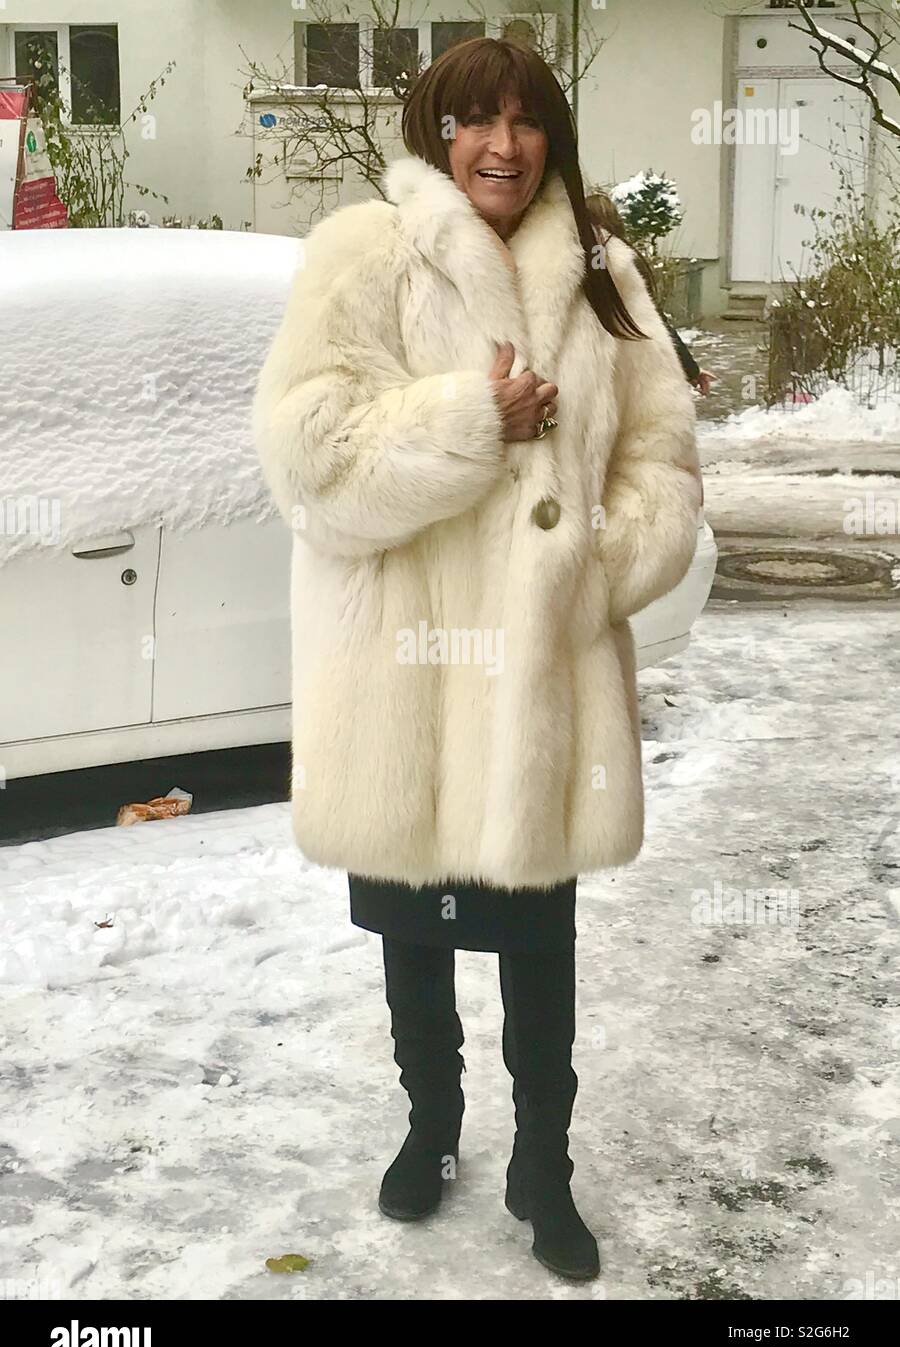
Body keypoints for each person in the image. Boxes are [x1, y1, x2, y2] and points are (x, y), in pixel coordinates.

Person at [253, 36, 702, 1282]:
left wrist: (588, 571)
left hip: (540, 687)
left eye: (524, 120)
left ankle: (542, 1164)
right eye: (473, 122)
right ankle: (432, 1127)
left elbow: (661, 462)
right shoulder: (363, 254)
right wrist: (470, 421)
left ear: (552, 135)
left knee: (540, 946)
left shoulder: (604, 273)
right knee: (419, 931)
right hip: (403, 676)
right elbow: (310, 467)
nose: (501, 146)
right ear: (434, 133)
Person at [585, 190, 716, 397]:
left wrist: (690, 369)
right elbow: (656, 318)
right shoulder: (625, 259)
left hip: (600, 365)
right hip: (627, 365)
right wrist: (691, 369)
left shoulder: (593, 259)